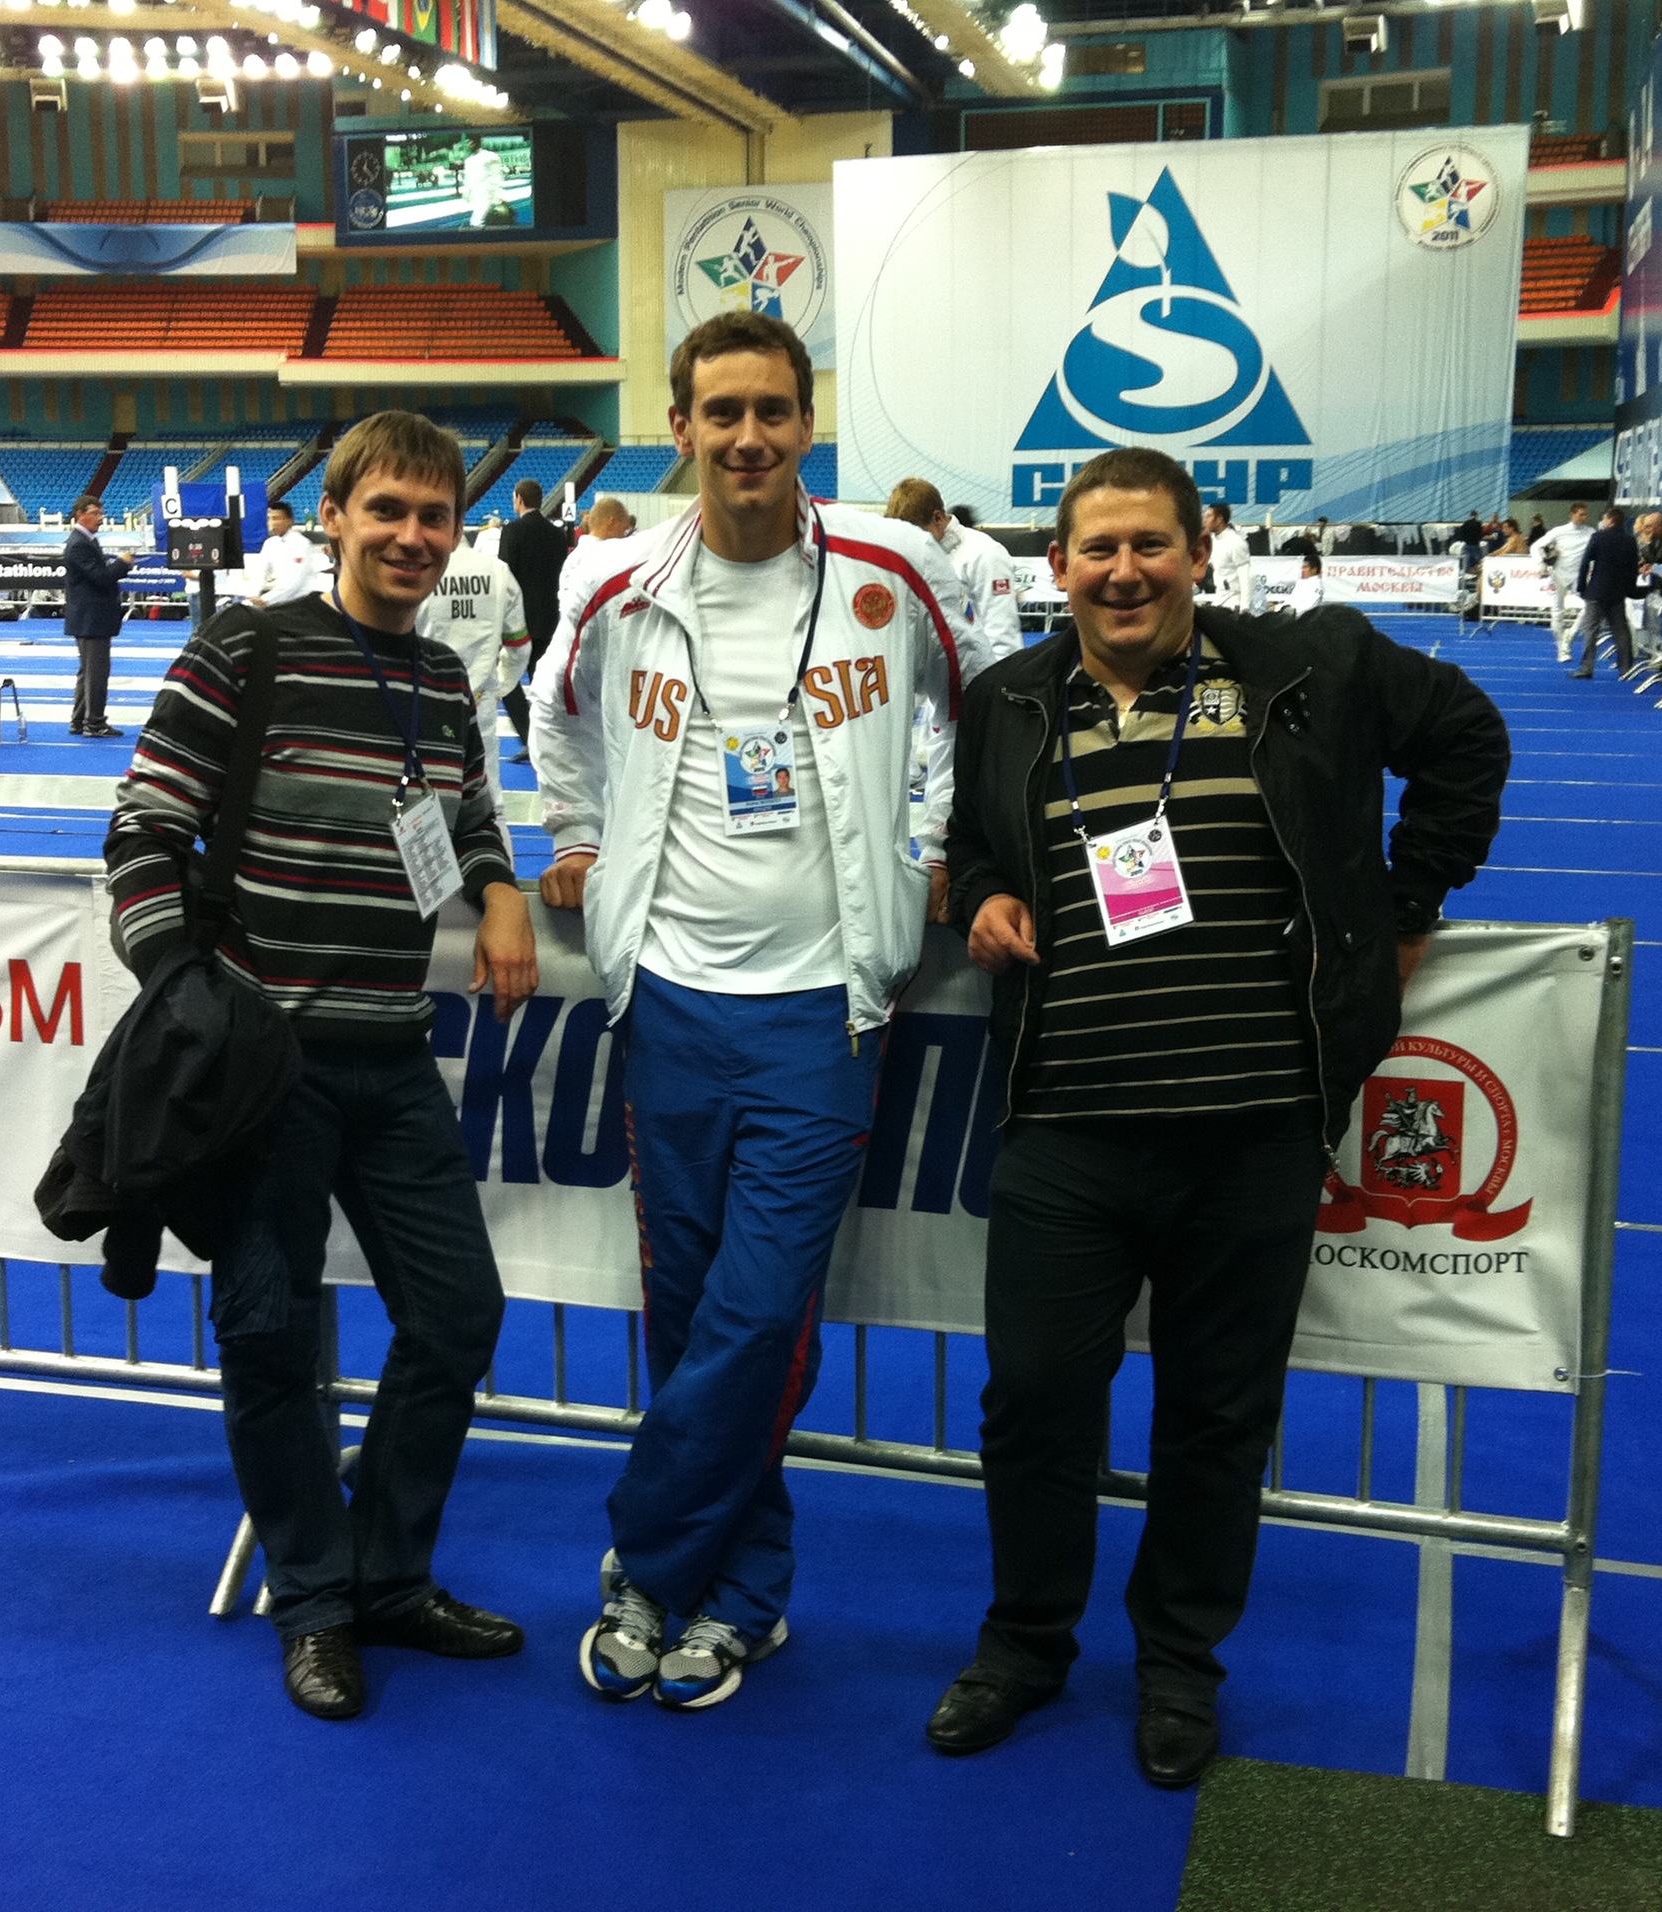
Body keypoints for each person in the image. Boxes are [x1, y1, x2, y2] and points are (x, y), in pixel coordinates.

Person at [925, 444, 1508, 1788]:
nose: (1123, 571)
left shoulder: (1311, 669)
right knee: (1033, 1405)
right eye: (1097, 548)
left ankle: (1180, 1663)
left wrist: (1408, 902)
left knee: (1216, 1417)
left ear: (1199, 551)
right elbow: (976, 842)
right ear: (1057, 564)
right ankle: (1024, 1643)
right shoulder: (1010, 699)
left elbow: (1469, 740)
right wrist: (985, 891)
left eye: (1151, 544)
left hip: (1255, 1130)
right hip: (1066, 1125)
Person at [531, 311, 996, 1712]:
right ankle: (743, 1597)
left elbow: (975, 710)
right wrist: (576, 833)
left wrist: (942, 847)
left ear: (807, 423)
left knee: (756, 1313)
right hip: (668, 998)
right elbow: (557, 716)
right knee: (690, 1315)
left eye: (773, 412)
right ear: (679, 426)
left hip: (823, 1011)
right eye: (720, 412)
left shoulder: (892, 570)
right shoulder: (615, 580)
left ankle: (643, 1563)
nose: (747, 438)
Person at [104, 410, 539, 1723]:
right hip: (265, 1068)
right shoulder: (244, 650)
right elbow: (142, 838)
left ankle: (389, 1578)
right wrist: (187, 997)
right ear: (334, 517)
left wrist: (502, 890)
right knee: (267, 1333)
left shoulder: (441, 679)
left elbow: (467, 817)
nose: (410, 535)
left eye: (433, 515)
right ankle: (312, 1600)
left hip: (393, 1057)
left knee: (456, 1317)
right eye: (386, 509)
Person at [414, 530, 530, 816]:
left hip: (429, 698)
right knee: (489, 798)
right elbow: (519, 646)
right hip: (481, 699)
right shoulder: (498, 571)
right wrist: (501, 686)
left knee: (427, 796)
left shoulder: (420, 570)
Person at [887, 478, 1023, 663]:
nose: (909, 542)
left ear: (938, 518)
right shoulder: (916, 554)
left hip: (978, 673)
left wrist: (999, 680)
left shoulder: (985, 554)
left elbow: (1003, 635)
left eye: (915, 533)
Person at [496, 477, 571, 759]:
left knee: (507, 681)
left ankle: (530, 738)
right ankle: (550, 741)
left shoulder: (513, 531)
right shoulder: (557, 534)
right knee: (545, 687)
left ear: (519, 499)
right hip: (550, 619)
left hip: (519, 622)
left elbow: (505, 577)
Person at [63, 493, 131, 738]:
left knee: (87, 672)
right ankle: (94, 723)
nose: (101, 518)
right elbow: (101, 578)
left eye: (101, 513)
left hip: (90, 617)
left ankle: (80, 719)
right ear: (81, 514)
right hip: (91, 618)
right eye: (95, 513)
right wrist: (122, 564)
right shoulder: (79, 544)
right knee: (97, 673)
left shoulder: (86, 540)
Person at [1569, 508, 1644, 679]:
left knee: (1591, 630)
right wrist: (1630, 589)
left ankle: (1587, 667)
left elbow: (1585, 562)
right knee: (1621, 630)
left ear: (1610, 520)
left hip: (1597, 590)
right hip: (1617, 591)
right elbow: (1632, 568)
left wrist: (1581, 586)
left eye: (1604, 518)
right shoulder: (1630, 540)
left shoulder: (1598, 537)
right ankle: (1626, 667)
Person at [1531, 502, 1596, 664]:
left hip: (1579, 576)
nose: (1584, 518)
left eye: (1585, 515)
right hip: (1558, 575)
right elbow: (1536, 546)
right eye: (1580, 514)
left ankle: (1570, 634)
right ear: (1572, 514)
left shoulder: (1591, 532)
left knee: (1591, 606)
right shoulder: (1559, 531)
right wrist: (1540, 563)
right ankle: (1562, 650)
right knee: (1557, 613)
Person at [244, 500, 330, 609]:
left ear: (289, 521)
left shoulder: (301, 544)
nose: (272, 522)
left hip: (303, 602)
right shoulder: (270, 544)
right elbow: (259, 572)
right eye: (270, 518)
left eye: (276, 518)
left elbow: (295, 582)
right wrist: (252, 595)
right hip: (281, 601)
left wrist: (266, 599)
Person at [1202, 502, 1258, 613]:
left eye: (1209, 516)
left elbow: (1246, 576)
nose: (1205, 520)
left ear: (1219, 519)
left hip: (1235, 601)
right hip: (1220, 598)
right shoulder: (1212, 541)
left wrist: (1244, 607)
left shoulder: (1235, 542)